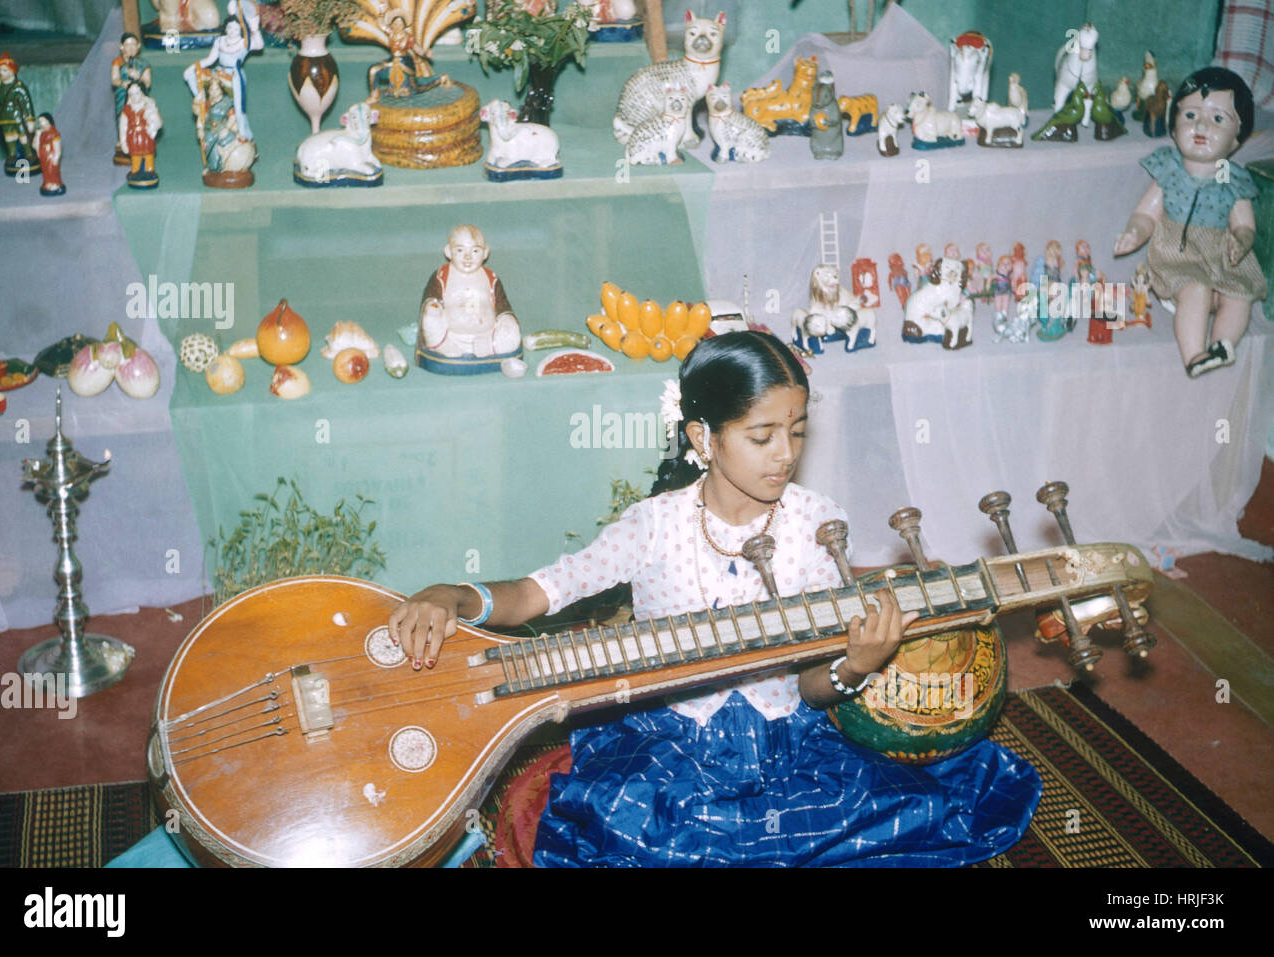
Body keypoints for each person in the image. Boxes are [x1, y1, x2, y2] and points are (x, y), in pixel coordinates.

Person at [389, 331, 1041, 866]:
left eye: (798, 432)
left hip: (786, 740)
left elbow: (814, 683)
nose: (785, 455)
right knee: (657, 837)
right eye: (762, 436)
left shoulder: (817, 522)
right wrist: (457, 594)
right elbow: (539, 593)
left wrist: (856, 665)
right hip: (677, 741)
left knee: (910, 811)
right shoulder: (657, 524)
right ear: (703, 438)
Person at [1113, 67, 1264, 377]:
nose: (1202, 126)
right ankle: (1194, 355)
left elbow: (1244, 223)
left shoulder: (1230, 178)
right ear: (1173, 127)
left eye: (1218, 119)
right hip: (1179, 258)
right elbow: (1146, 213)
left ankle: (1221, 346)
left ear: (1237, 138)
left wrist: (1243, 239)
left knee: (1239, 297)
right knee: (1196, 290)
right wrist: (1135, 231)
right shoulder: (1170, 170)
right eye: (1191, 116)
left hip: (1222, 259)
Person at [417, 224, 522, 368]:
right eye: (460, 250)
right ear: (448, 251)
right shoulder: (442, 276)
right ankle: (443, 346)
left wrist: (507, 319)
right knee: (430, 316)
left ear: (485, 253)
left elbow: (502, 306)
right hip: (451, 337)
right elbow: (431, 298)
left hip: (487, 336)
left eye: (475, 250)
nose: (467, 257)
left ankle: (491, 347)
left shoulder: (491, 277)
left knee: (513, 332)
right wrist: (433, 307)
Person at [0, 52, 37, 175]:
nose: (1, 73)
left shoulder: (18, 87)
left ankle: (29, 154)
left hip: (18, 117)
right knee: (8, 136)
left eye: (4, 70)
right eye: (0, 70)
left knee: (23, 136)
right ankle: (12, 154)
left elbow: (27, 102)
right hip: (5, 117)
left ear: (12, 70)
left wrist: (30, 119)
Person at [111, 32, 152, 163]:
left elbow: (147, 82)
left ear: (138, 46)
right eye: (127, 45)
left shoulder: (143, 63)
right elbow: (114, 79)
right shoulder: (117, 62)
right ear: (121, 47)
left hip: (138, 95)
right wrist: (123, 83)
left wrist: (138, 78)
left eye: (133, 45)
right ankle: (123, 142)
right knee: (123, 115)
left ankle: (142, 139)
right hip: (123, 94)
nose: (130, 48)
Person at [32, 113, 64, 196]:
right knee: (45, 171)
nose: (40, 123)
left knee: (52, 171)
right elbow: (34, 145)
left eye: (42, 121)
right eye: (39, 122)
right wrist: (38, 135)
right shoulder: (41, 133)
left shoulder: (54, 133)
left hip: (51, 156)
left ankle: (55, 184)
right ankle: (48, 183)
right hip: (43, 156)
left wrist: (56, 157)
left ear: (48, 121)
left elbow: (57, 147)